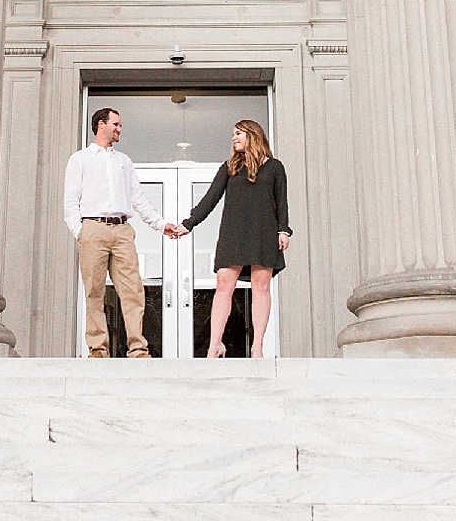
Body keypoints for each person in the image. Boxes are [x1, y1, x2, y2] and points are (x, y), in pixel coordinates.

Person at [64, 107, 178, 359]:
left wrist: (161, 224)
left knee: (133, 290)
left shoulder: (123, 161)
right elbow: (71, 199)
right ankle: (97, 348)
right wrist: (80, 231)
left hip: (122, 230)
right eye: (115, 124)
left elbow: (138, 199)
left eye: (120, 125)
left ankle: (138, 348)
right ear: (100, 125)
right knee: (94, 290)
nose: (119, 129)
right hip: (92, 228)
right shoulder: (80, 159)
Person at [172, 119, 291, 358]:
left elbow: (281, 201)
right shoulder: (229, 167)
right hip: (233, 233)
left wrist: (283, 230)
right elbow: (210, 199)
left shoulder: (275, 167)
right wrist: (188, 224)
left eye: (238, 133)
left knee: (261, 286)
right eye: (233, 134)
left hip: (263, 232)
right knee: (224, 285)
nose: (234, 138)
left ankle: (257, 346)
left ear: (253, 135)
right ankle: (215, 344)